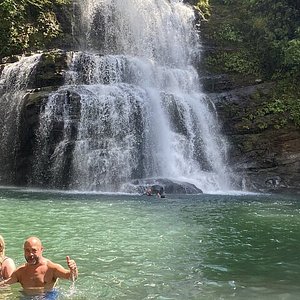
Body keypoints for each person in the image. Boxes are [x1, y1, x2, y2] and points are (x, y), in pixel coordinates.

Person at [0, 236, 78, 292]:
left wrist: (73, 269)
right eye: (27, 250)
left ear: (41, 250)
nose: (30, 254)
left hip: (48, 297)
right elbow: (5, 284)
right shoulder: (20, 272)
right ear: (24, 251)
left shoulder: (51, 268)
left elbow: (71, 277)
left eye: (34, 250)